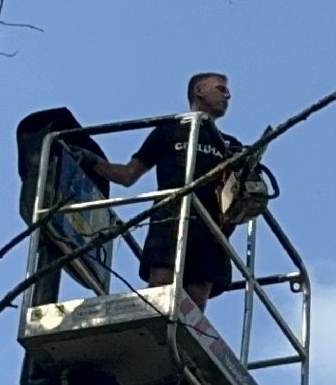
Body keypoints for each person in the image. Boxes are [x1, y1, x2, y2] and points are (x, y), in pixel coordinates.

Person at [90, 72, 248, 308]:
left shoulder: (230, 145)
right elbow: (127, 174)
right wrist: (89, 161)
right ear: (199, 92)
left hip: (210, 228)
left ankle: (182, 339)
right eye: (220, 89)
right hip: (170, 216)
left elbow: (240, 197)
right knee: (161, 286)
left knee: (197, 294)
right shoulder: (170, 131)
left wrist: (233, 218)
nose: (228, 95)